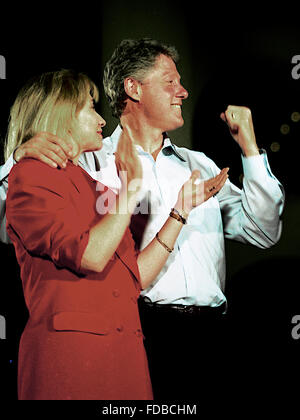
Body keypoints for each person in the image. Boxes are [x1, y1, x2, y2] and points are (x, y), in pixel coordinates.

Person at [0, 39, 284, 399]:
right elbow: (14, 216)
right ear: (133, 88)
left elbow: (263, 232)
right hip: (137, 328)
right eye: (169, 81)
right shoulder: (89, 159)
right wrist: (18, 158)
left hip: (211, 336)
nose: (182, 91)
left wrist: (250, 148)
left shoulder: (200, 166)